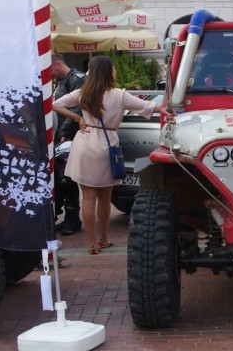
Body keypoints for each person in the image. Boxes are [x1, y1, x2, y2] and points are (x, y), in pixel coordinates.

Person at [53, 56, 159, 255]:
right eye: (114, 69)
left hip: (84, 143)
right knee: (104, 198)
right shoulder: (119, 95)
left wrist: (78, 118)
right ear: (108, 72)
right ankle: (104, 238)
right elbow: (150, 107)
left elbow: (56, 104)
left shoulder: (83, 92)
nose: (116, 72)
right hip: (106, 144)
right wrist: (175, 106)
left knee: (87, 198)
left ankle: (92, 243)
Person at [51, 53, 87, 235]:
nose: (50, 74)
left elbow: (77, 108)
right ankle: (67, 216)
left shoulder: (77, 79)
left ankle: (73, 218)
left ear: (57, 64)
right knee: (60, 177)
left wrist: (64, 132)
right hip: (59, 136)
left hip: (70, 136)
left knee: (68, 178)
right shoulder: (61, 81)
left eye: (51, 70)